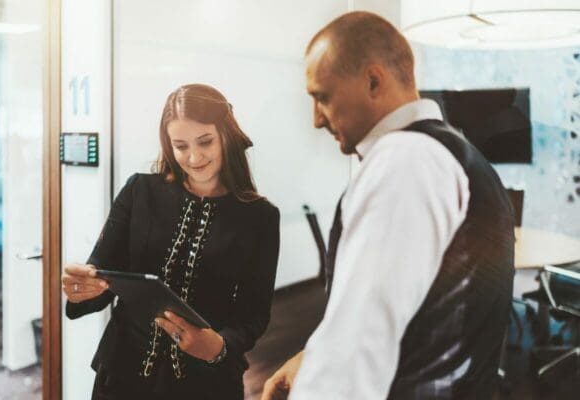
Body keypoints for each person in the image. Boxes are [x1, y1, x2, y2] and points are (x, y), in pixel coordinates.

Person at [262, 11, 514, 400]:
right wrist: (313, 355)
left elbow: (359, 345)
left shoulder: (405, 160)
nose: (316, 120)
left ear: (373, 80)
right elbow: (412, 309)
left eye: (322, 97)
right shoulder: (455, 153)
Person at [62, 83, 280, 399]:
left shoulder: (259, 216)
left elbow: (253, 315)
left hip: (206, 380)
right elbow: (102, 273)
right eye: (180, 146)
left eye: (205, 141)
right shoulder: (139, 191)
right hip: (122, 374)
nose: (193, 157)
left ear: (226, 137)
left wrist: (218, 346)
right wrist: (81, 289)